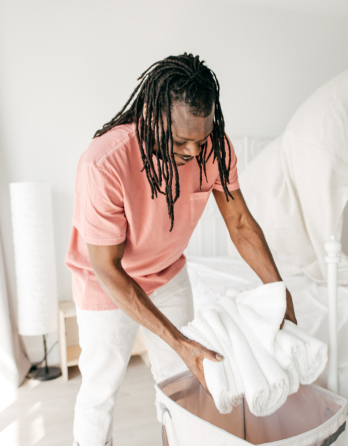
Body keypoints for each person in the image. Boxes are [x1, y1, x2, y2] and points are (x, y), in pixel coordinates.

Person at [65, 53, 296, 446]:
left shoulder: (214, 150)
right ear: (152, 117)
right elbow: (107, 267)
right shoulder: (104, 162)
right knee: (100, 391)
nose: (192, 152)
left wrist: (278, 289)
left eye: (201, 139)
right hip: (104, 283)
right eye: (180, 140)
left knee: (181, 385)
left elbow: (240, 223)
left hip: (168, 273)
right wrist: (178, 340)